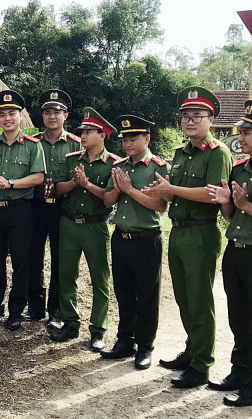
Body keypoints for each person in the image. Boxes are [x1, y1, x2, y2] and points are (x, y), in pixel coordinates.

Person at [143, 86, 231, 388]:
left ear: (211, 120)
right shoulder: (181, 153)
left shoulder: (218, 153)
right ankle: (192, 351)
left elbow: (213, 195)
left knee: (199, 300)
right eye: (185, 116)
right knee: (183, 299)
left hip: (201, 234)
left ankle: (202, 364)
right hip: (179, 232)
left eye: (197, 116)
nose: (190, 121)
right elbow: (172, 191)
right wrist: (158, 190)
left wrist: (171, 190)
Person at [206, 99, 252, 412]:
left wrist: (246, 206)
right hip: (235, 251)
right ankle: (240, 372)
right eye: (242, 130)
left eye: (249, 131)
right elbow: (230, 216)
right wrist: (226, 202)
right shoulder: (238, 169)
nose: (242, 136)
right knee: (238, 317)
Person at [0, 89, 45, 331]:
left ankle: (15, 310)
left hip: (21, 210)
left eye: (12, 113)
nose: (7, 118)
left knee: (21, 261)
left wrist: (11, 183)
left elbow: (37, 178)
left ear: (20, 116)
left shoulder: (33, 146)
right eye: (2, 114)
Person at [100, 115, 169, 370]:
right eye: (125, 139)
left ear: (147, 139)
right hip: (121, 237)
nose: (128, 143)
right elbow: (107, 201)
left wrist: (129, 190)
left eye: (134, 138)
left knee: (147, 295)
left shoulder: (158, 167)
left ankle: (145, 346)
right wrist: (118, 189)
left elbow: (161, 206)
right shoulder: (119, 166)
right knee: (124, 292)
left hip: (146, 239)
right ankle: (124, 340)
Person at [50, 108, 121, 351]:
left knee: (100, 279)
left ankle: (98, 329)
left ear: (103, 135)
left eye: (89, 131)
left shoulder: (113, 164)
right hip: (69, 223)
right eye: (82, 131)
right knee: (66, 276)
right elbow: (58, 189)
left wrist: (87, 184)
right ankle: (70, 323)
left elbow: (109, 198)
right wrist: (74, 182)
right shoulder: (72, 159)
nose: (83, 134)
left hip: (95, 226)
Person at [25, 89, 81, 329]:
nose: (52, 117)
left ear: (65, 116)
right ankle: (35, 307)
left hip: (62, 208)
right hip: (35, 205)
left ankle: (56, 310)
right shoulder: (32, 142)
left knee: (61, 260)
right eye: (47, 112)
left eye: (57, 112)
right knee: (32, 257)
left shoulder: (77, 144)